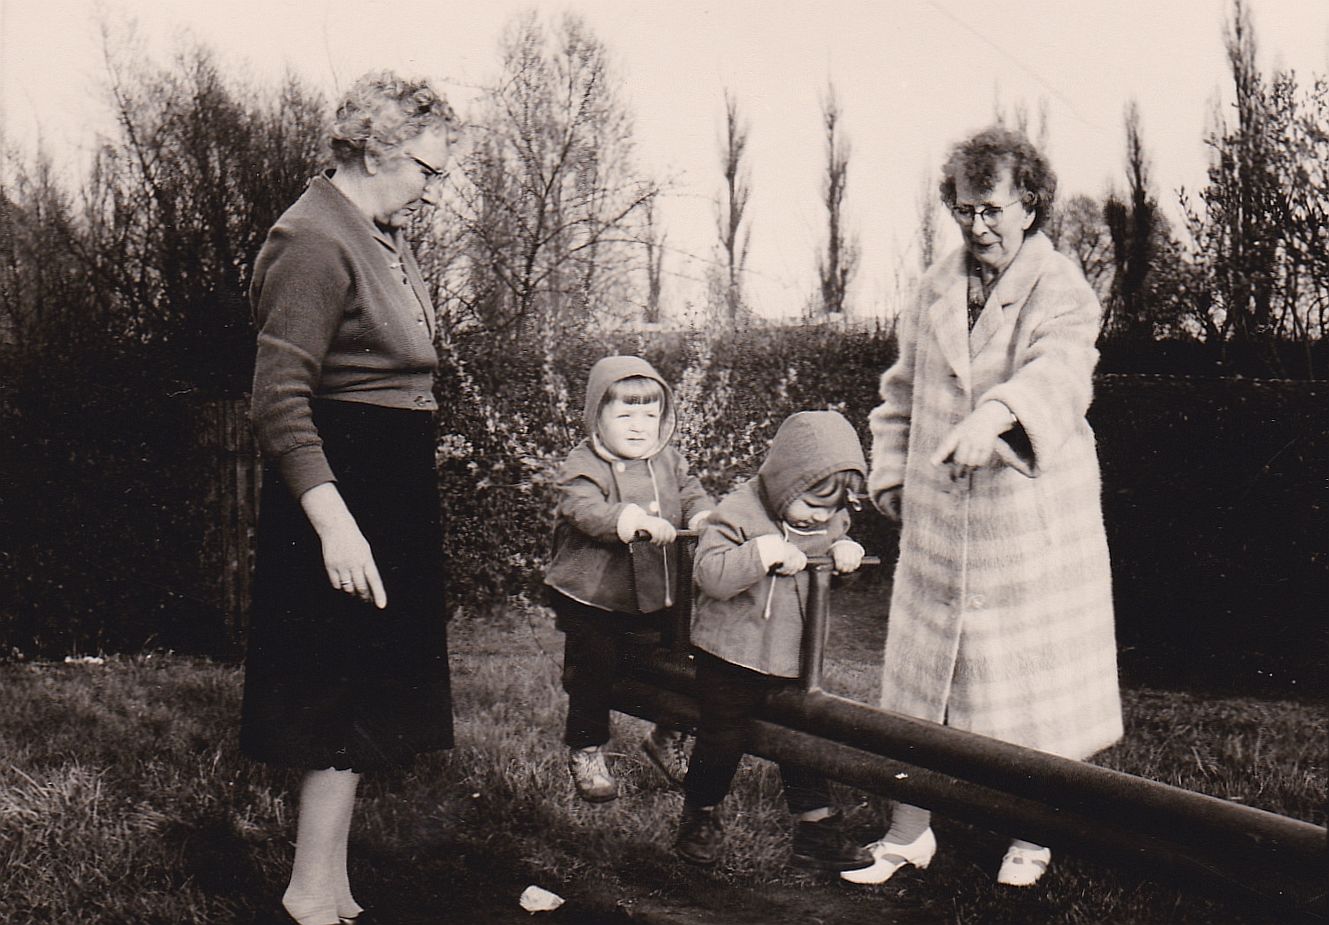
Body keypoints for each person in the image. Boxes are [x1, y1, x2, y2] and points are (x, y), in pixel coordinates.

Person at [845, 126, 1122, 890]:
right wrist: (891, 473)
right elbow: (898, 393)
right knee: (919, 686)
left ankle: (1031, 835)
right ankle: (907, 832)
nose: (978, 226)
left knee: (1029, 692)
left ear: (1029, 204)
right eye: (965, 210)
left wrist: (994, 416)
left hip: (1028, 523)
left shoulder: (1061, 288)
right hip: (939, 523)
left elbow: (1060, 377)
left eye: (993, 209)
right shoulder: (933, 285)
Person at [240, 71, 463, 925]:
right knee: (334, 690)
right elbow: (279, 398)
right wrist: (333, 521)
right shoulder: (311, 238)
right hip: (343, 489)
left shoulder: (379, 232)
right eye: (427, 171)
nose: (433, 192)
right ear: (375, 150)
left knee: (364, 688)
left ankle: (329, 886)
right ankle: (306, 893)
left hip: (388, 483)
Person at [674, 410, 874, 873]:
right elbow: (710, 576)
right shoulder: (738, 514)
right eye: (811, 504)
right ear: (784, 480)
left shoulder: (826, 521)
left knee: (801, 740)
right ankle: (699, 816)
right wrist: (759, 554)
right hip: (730, 655)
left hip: (790, 659)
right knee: (722, 737)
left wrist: (843, 559)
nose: (820, 517)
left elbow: (817, 574)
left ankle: (816, 830)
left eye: (832, 510)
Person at [545, 355, 715, 802]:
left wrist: (703, 514)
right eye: (624, 415)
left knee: (685, 660)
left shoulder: (668, 461)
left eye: (650, 415)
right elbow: (581, 508)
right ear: (597, 417)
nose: (639, 426)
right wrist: (628, 518)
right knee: (594, 669)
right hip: (596, 593)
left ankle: (668, 734)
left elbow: (692, 490)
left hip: (659, 587)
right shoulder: (585, 463)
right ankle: (586, 747)